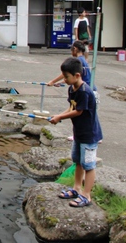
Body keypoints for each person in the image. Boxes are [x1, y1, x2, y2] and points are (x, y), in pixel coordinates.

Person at [48, 56, 102, 209]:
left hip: (89, 134)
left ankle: (86, 195)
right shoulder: (72, 89)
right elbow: (71, 108)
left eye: (66, 77)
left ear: (77, 75)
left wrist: (60, 117)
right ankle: (76, 188)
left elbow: (78, 112)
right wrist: (58, 116)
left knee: (89, 165)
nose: (64, 79)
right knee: (78, 161)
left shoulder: (84, 91)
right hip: (78, 133)